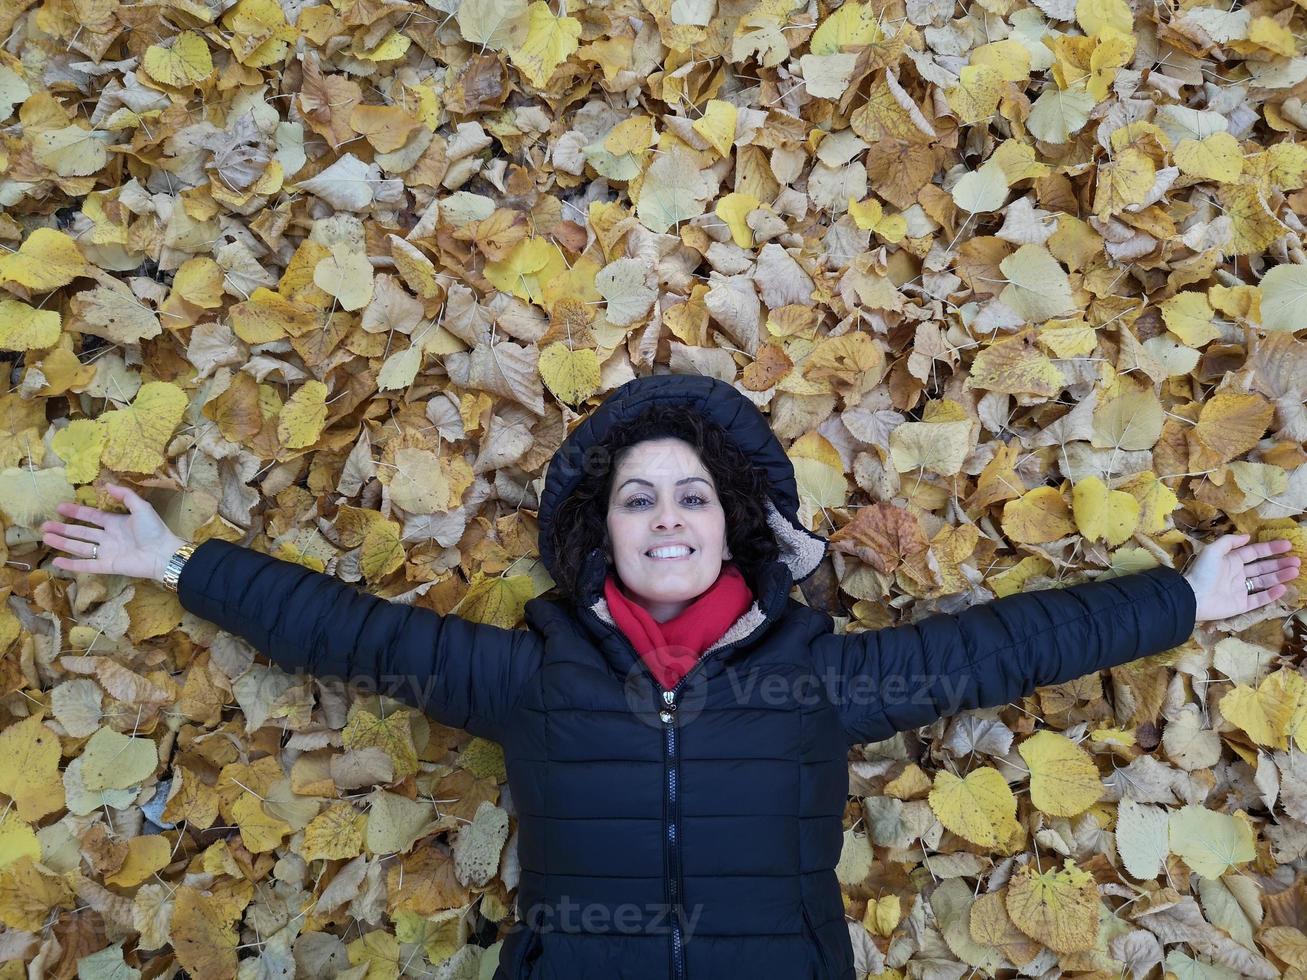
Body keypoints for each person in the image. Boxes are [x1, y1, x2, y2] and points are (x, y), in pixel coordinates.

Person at [40, 373, 1299, 980]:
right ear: (605, 529)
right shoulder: (530, 676)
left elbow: (1000, 647)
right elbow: (355, 634)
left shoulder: (813, 677)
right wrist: (176, 562)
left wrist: (1181, 596)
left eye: (692, 495)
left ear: (731, 522)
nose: (666, 516)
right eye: (638, 496)